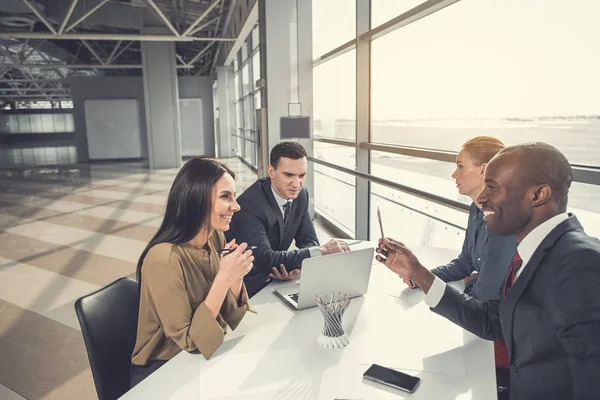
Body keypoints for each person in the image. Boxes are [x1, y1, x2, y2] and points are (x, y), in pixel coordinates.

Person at [376, 143, 600, 400]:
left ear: (538, 195)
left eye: (492, 187)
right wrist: (418, 273)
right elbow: (495, 323)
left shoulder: (579, 262)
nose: (482, 198)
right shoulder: (532, 253)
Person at [130, 158, 256, 388]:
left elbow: (231, 316)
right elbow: (191, 342)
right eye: (225, 196)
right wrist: (224, 278)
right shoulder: (163, 259)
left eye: (234, 196)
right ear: (196, 200)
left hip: (200, 358)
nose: (236, 206)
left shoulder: (215, 236)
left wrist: (235, 277)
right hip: (163, 372)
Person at [226, 141, 350, 297]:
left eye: (302, 175)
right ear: (271, 172)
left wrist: (295, 266)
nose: (296, 183)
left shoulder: (301, 195)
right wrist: (323, 251)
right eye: (289, 175)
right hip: (247, 288)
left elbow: (309, 240)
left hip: (279, 280)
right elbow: (265, 259)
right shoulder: (249, 205)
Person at [428, 136, 517, 301]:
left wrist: (470, 283)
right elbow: (466, 261)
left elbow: (483, 298)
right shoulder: (476, 209)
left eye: (460, 166)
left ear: (484, 170)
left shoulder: (503, 221)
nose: (454, 174)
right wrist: (422, 277)